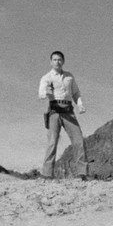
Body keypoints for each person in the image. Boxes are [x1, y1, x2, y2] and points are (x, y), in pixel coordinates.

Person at [38, 51, 88, 180]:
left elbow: (76, 93)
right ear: (51, 62)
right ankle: (47, 174)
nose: (57, 62)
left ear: (63, 61)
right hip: (54, 110)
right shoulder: (47, 77)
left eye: (59, 59)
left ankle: (82, 173)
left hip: (68, 110)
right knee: (52, 141)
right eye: (55, 60)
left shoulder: (69, 77)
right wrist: (46, 93)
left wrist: (80, 104)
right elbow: (41, 92)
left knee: (78, 140)